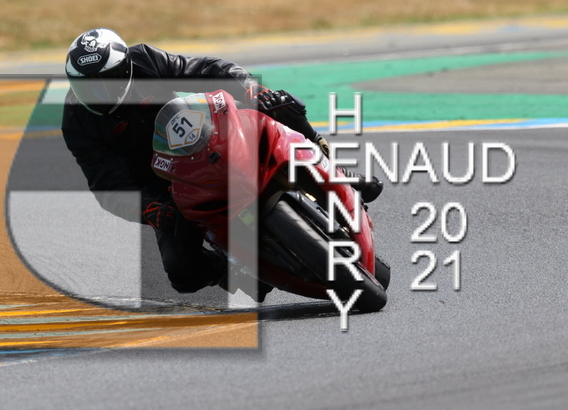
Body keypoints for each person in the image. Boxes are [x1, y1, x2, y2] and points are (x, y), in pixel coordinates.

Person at [61, 27, 382, 297]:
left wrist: (250, 90)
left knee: (278, 104)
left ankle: (334, 167)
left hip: (207, 136)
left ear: (126, 68)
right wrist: (149, 209)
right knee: (181, 272)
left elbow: (204, 70)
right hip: (164, 184)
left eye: (105, 82)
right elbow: (106, 185)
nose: (97, 94)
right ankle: (234, 272)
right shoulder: (76, 121)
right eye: (86, 86)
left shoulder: (145, 59)